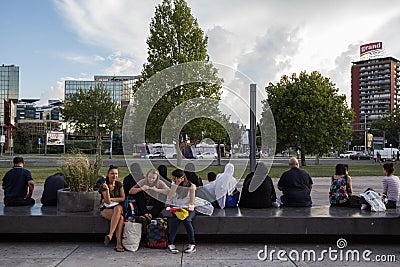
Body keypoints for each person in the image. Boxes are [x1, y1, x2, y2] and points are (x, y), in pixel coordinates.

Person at [166, 169, 196, 254]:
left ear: (182, 178)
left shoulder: (191, 186)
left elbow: (191, 202)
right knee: (176, 220)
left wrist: (185, 210)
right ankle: (170, 243)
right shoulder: (174, 184)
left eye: (175, 178)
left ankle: (192, 243)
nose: (173, 180)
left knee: (187, 220)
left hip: (188, 208)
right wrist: (176, 185)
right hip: (177, 208)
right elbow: (169, 197)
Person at [99, 165, 125, 252]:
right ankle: (118, 244)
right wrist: (106, 191)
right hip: (106, 209)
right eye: (112, 174)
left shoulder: (119, 184)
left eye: (116, 174)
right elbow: (107, 202)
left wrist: (112, 199)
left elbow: (122, 198)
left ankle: (110, 235)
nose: (114, 176)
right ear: (108, 174)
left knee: (118, 208)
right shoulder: (104, 185)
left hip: (116, 208)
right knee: (120, 218)